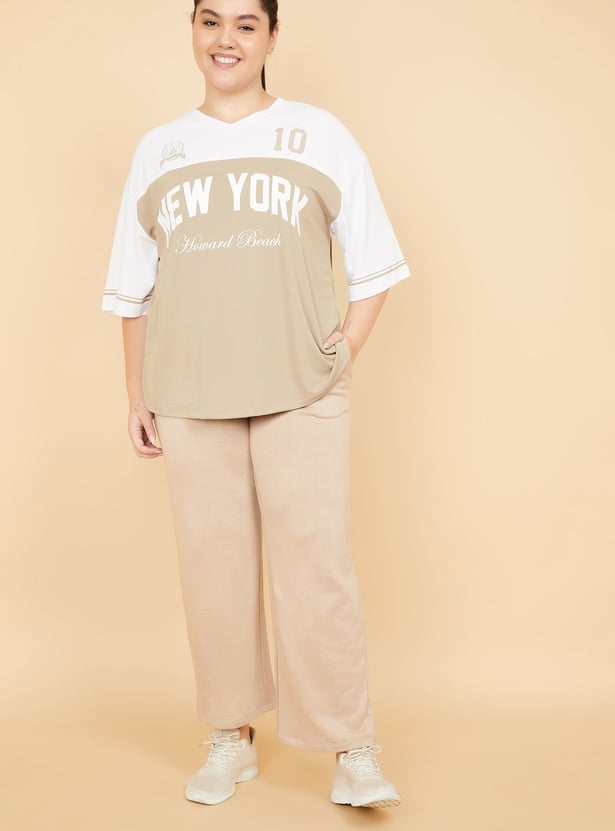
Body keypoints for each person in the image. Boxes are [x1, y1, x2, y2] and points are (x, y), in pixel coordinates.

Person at [102, 0, 410, 810]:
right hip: (191, 392)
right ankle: (228, 737)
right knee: (214, 570)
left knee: (317, 567)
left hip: (299, 388)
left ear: (272, 36)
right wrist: (137, 394)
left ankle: (352, 745)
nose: (226, 39)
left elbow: (376, 260)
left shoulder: (318, 134)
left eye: (245, 23)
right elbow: (133, 285)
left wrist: (343, 348)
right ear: (192, 31)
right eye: (210, 21)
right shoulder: (158, 149)